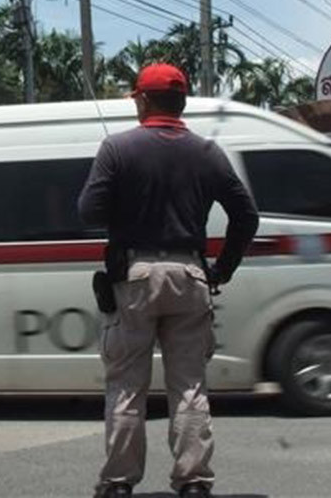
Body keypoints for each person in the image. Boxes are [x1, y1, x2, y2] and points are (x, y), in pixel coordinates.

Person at [79, 63, 260, 498]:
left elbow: (89, 213)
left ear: (142, 99)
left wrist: (124, 202)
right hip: (191, 276)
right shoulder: (207, 152)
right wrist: (222, 270)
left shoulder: (117, 148)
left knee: (126, 385)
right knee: (190, 385)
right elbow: (246, 216)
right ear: (181, 103)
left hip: (135, 276)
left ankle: (119, 483)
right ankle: (194, 482)